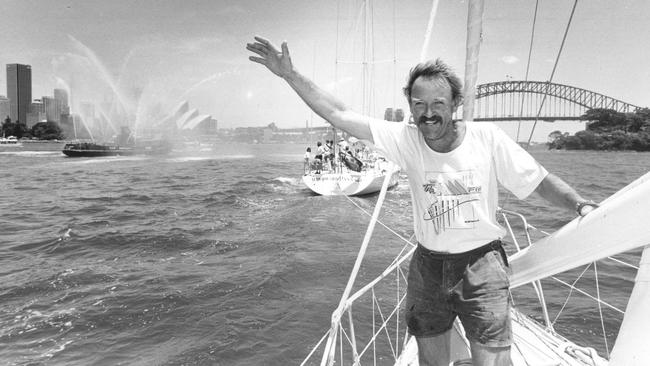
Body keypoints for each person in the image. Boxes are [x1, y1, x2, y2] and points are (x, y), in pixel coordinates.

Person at [247, 36, 598, 366]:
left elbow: (539, 181)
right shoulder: (405, 139)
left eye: (438, 104)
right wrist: (290, 76)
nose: (428, 113)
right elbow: (339, 113)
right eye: (419, 105)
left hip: (483, 264)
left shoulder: (487, 139)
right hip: (428, 266)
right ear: (411, 106)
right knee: (430, 359)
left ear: (456, 104)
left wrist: (579, 204)